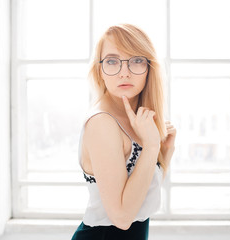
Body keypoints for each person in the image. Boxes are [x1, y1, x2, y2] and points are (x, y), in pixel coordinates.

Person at [71, 24, 176, 240]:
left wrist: (165, 151)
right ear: (100, 70)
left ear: (149, 67)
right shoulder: (102, 123)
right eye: (112, 61)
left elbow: (142, 194)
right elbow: (121, 217)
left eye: (136, 60)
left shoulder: (138, 120)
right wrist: (151, 146)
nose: (124, 72)